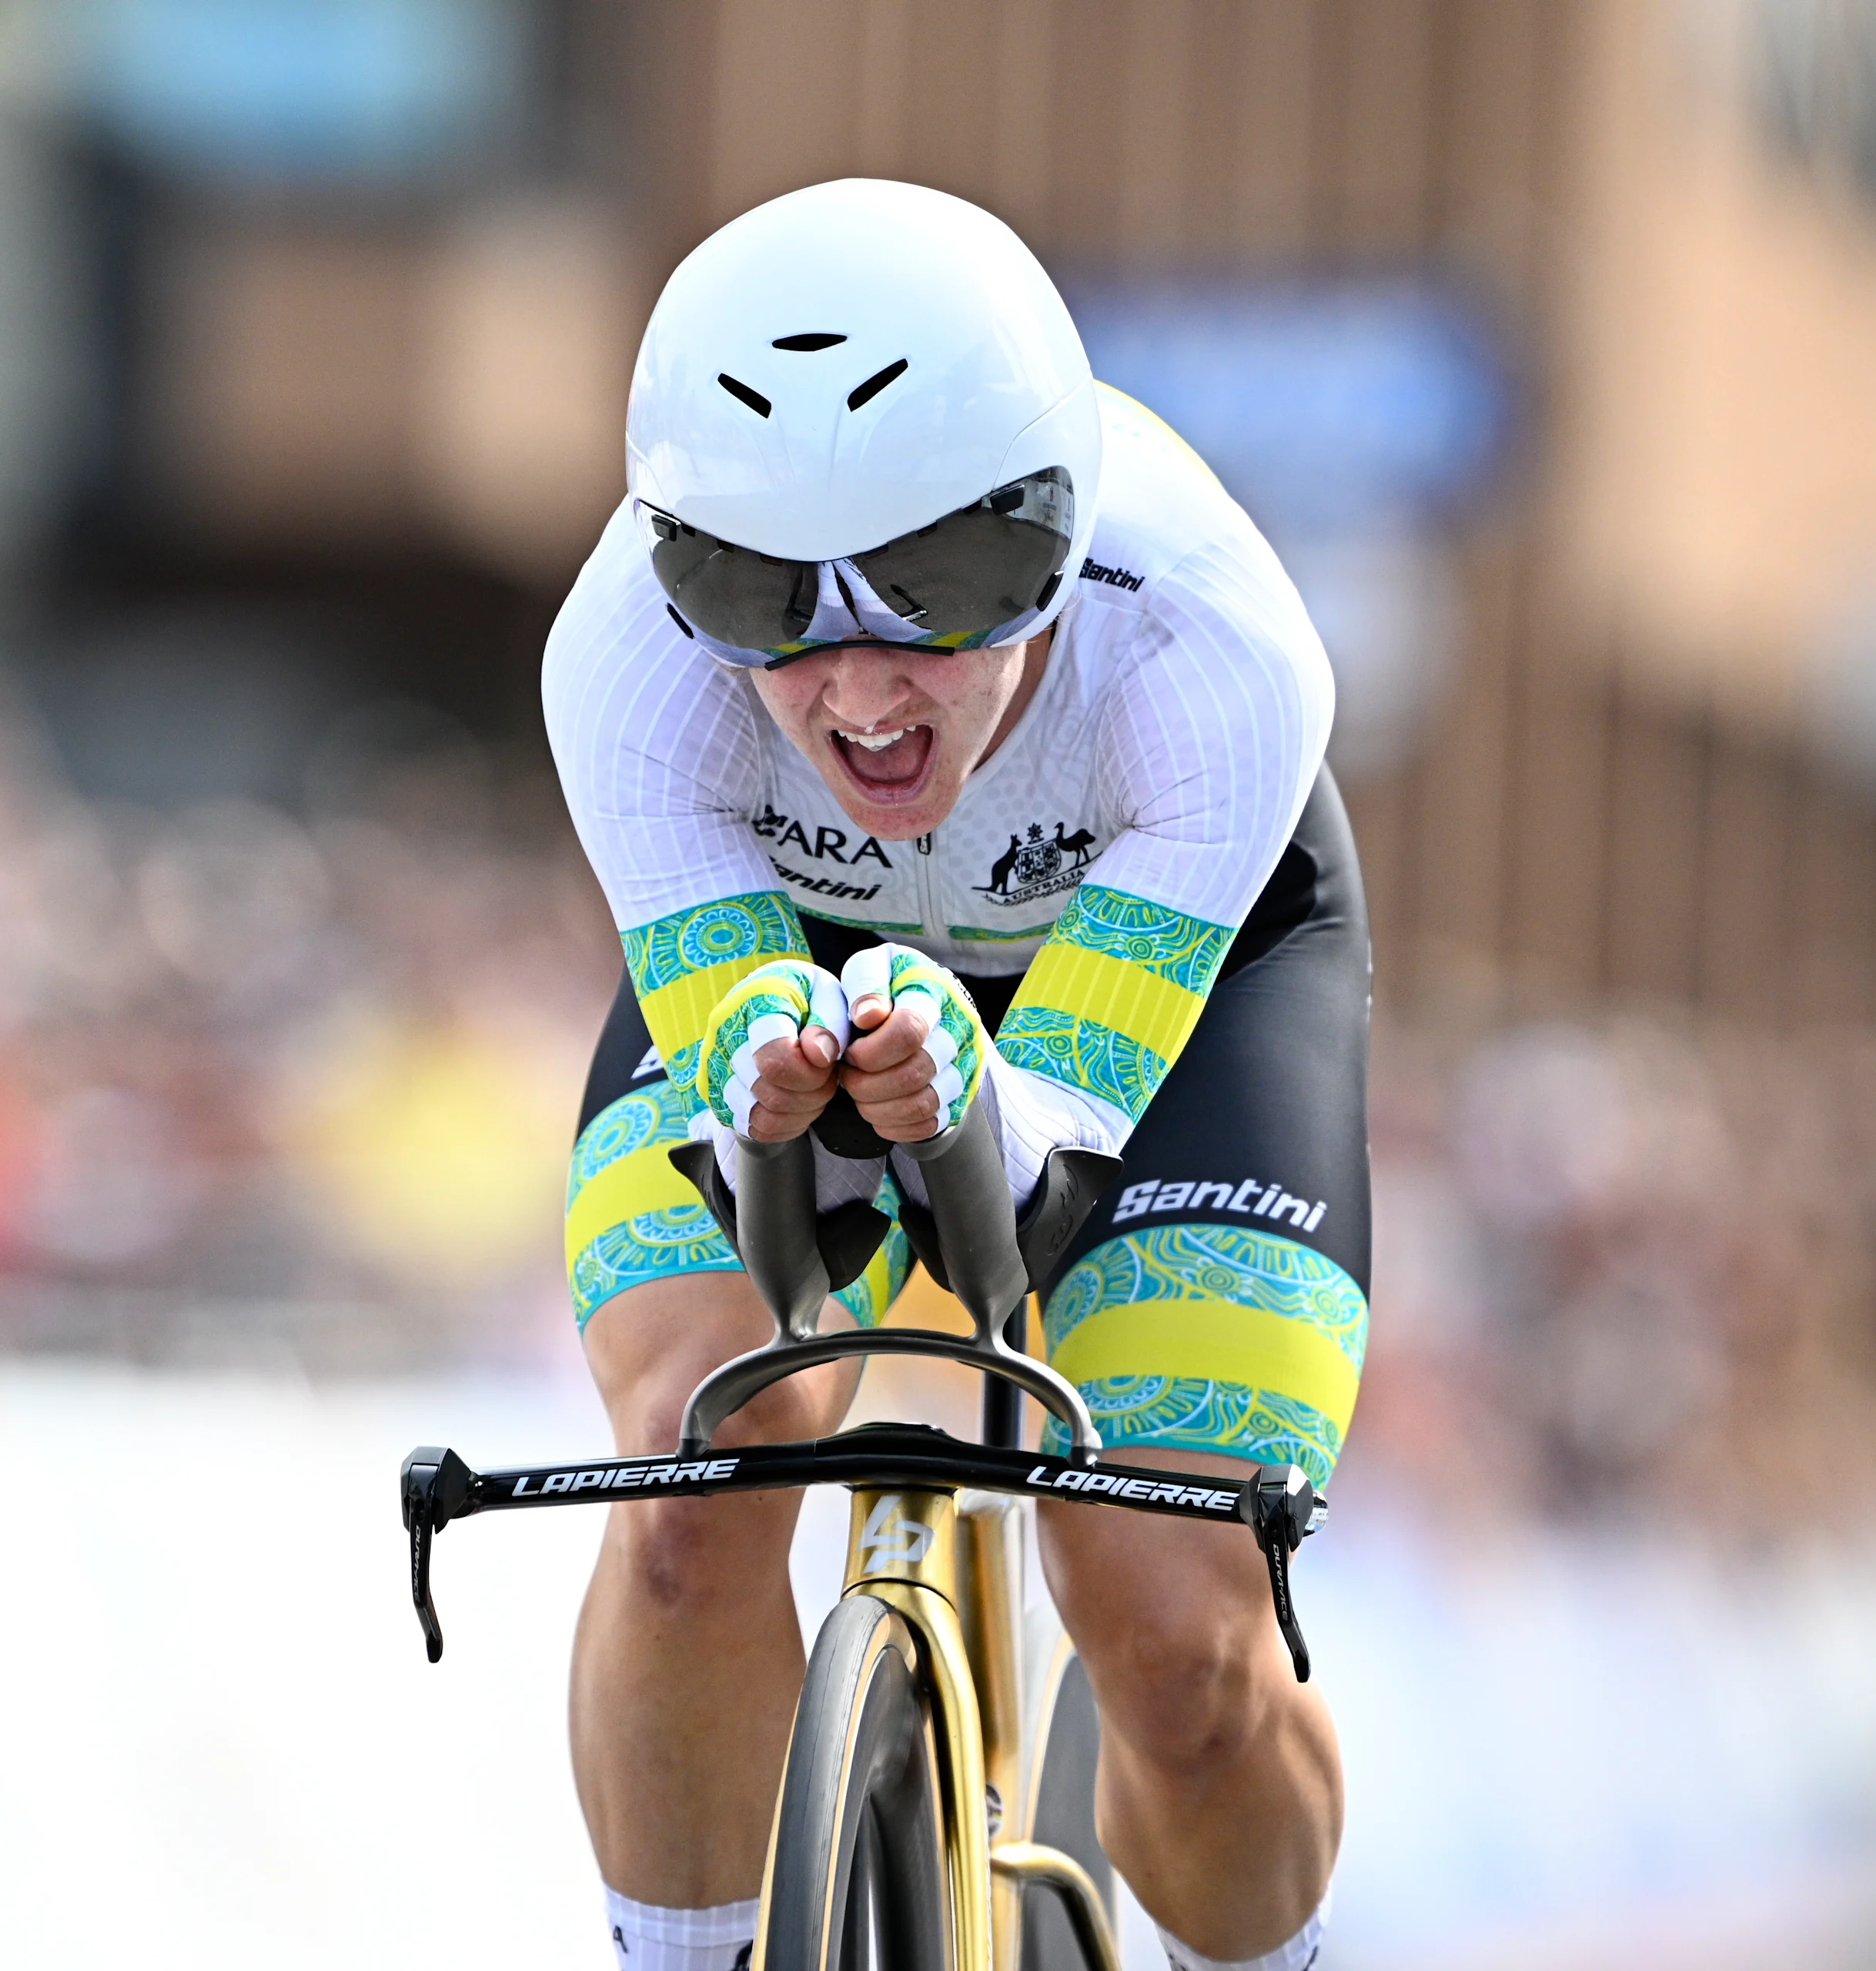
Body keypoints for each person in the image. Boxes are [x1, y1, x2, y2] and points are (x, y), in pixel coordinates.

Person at [544, 180, 1367, 1971]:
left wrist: (956, 1106)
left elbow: (1050, 1158)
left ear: (1057, 537)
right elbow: (756, 1162)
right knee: (699, 1463)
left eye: (941, 590)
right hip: (808, 951)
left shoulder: (1216, 644)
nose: (859, 692)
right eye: (759, 598)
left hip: (1180, 985)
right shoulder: (621, 661)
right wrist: (776, 1099)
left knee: (1178, 1639)